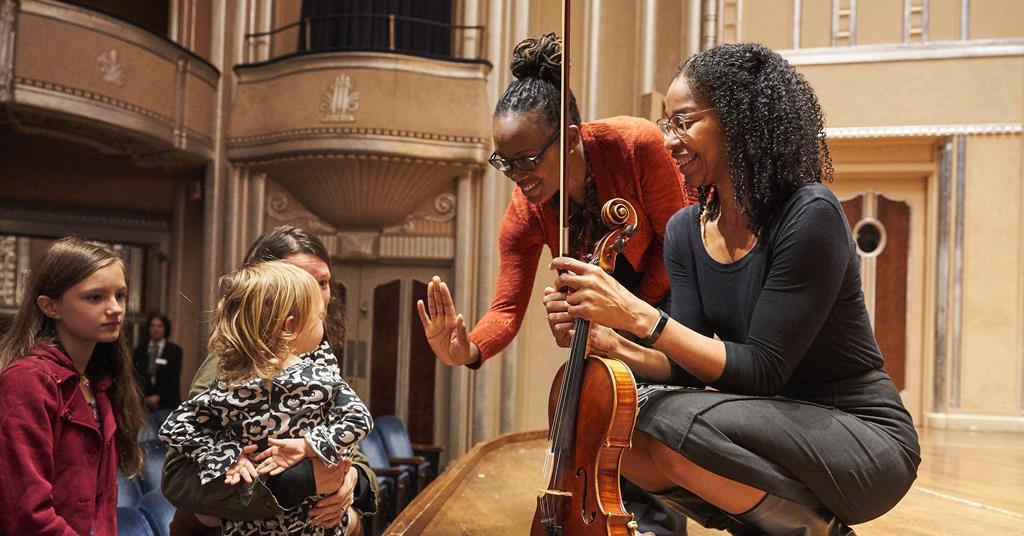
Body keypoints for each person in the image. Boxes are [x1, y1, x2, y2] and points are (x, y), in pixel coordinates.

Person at [548, 43, 921, 534]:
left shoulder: (810, 215)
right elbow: (684, 366)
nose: (668, 140)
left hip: (861, 437)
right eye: (665, 124)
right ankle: (780, 524)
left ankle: (808, 528)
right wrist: (609, 341)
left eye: (684, 121)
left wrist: (636, 314)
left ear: (739, 120)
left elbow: (762, 370)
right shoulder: (685, 230)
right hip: (770, 420)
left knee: (667, 417)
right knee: (616, 413)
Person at [417, 33, 691, 535]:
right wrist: (468, 349)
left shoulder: (635, 146)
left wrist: (623, 317)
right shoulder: (526, 209)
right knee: (597, 432)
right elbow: (505, 309)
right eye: (504, 162)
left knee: (647, 435)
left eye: (526, 160)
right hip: (605, 316)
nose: (516, 176)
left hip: (665, 303)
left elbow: (678, 249)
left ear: (569, 137)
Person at [163, 226, 377, 536]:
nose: (315, 295)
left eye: (323, 282)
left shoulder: (315, 357)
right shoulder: (230, 366)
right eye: (296, 283)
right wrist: (304, 481)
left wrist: (352, 481)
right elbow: (177, 478)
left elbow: (353, 447)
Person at [0, 237, 147, 535]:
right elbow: (27, 514)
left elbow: (102, 507)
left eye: (120, 295)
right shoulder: (27, 381)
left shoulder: (99, 382)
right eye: (95, 297)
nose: (115, 309)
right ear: (50, 306)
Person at [132, 313, 183, 421]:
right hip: (143, 405)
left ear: (165, 329)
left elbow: (174, 378)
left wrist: (158, 396)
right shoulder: (139, 351)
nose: (156, 329)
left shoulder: (174, 351)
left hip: (167, 404)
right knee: (145, 437)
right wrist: (145, 398)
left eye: (159, 326)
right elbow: (135, 377)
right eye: (153, 326)